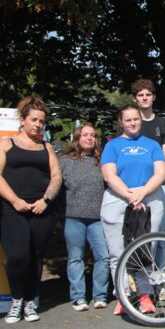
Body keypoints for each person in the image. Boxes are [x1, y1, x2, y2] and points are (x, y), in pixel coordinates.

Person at [0, 96, 63, 324]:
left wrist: (46, 200)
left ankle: (30, 300)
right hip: (11, 209)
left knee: (35, 257)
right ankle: (16, 300)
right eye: (34, 120)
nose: (38, 125)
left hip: (42, 210)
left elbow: (56, 176)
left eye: (41, 121)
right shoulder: (6, 144)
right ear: (22, 120)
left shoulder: (46, 147)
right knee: (19, 256)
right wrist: (14, 200)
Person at [100, 105, 165, 315]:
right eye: (128, 120)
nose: (132, 123)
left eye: (136, 119)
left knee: (146, 249)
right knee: (118, 252)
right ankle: (124, 295)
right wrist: (130, 196)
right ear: (121, 123)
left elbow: (160, 172)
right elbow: (109, 175)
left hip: (149, 196)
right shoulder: (112, 145)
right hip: (119, 196)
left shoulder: (152, 145)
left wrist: (143, 192)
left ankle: (145, 294)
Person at [60, 123, 109, 311]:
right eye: (85, 135)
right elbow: (57, 188)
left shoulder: (102, 161)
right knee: (75, 258)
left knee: (103, 257)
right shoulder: (65, 161)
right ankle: (78, 297)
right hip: (73, 216)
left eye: (93, 135)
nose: (89, 138)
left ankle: (100, 295)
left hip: (97, 217)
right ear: (77, 138)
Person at [131, 78, 165, 162]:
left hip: (158, 168)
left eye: (148, 95)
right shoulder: (128, 124)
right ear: (134, 98)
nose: (145, 98)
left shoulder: (163, 124)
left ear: (154, 97)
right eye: (140, 95)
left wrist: (159, 169)